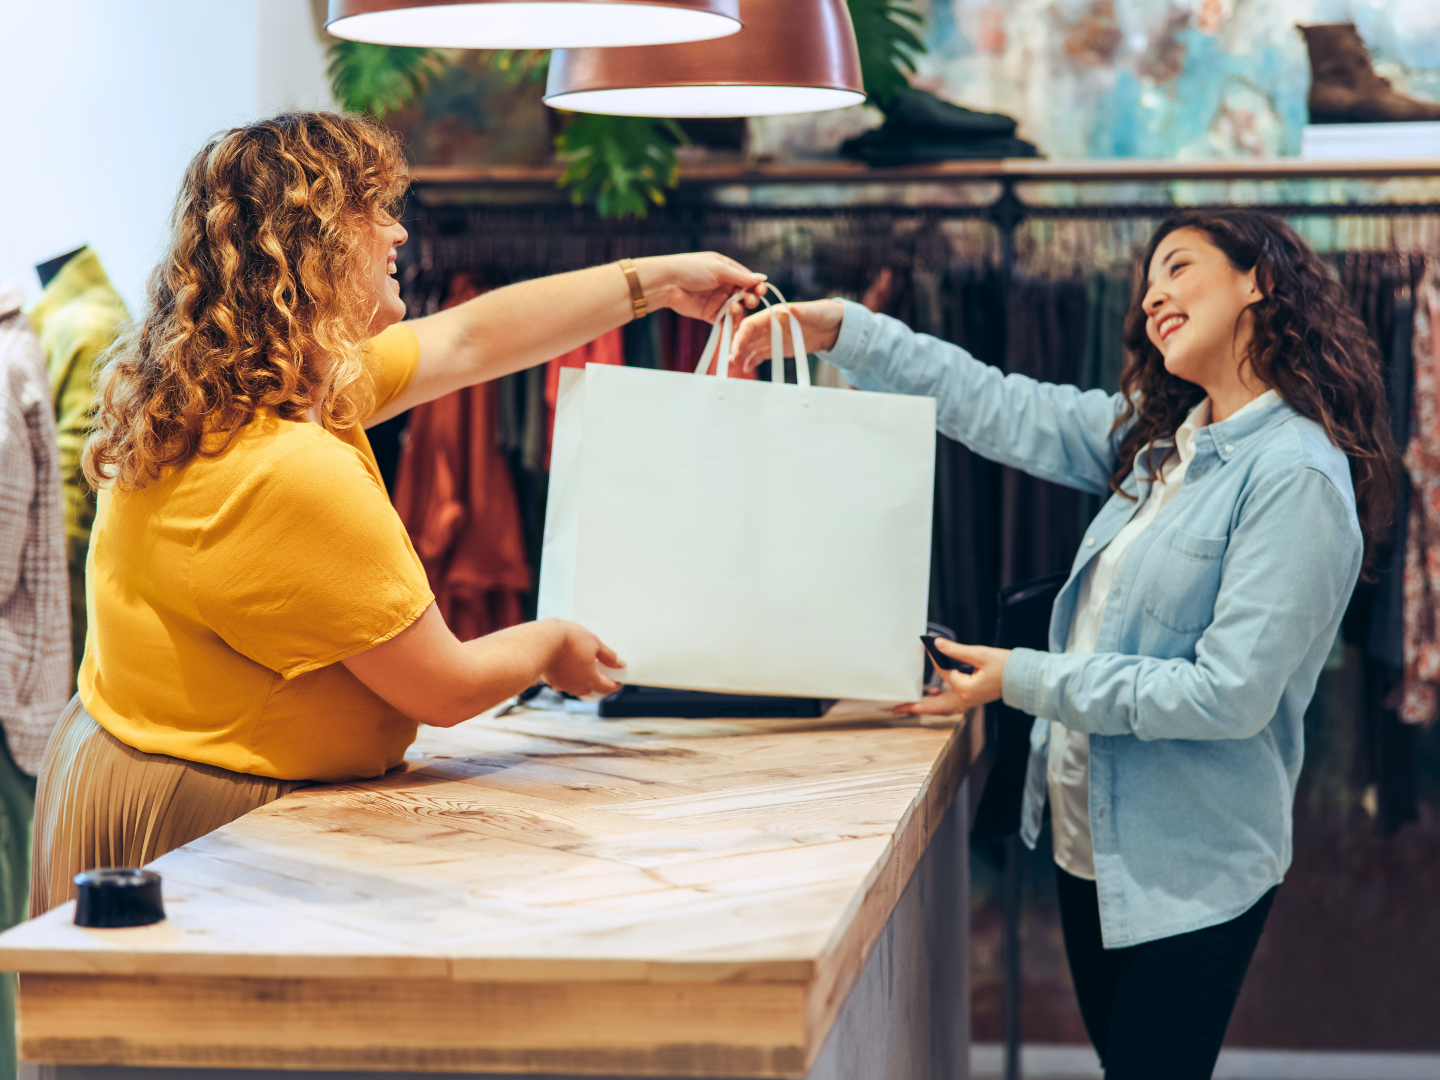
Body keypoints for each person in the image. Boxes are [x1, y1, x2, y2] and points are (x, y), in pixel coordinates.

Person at [31, 111, 765, 914]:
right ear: (310, 247)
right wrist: (551, 641)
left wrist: (655, 283)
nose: (399, 233)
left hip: (122, 765)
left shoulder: (227, 394)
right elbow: (443, 688)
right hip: (207, 823)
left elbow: (472, 340)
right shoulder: (292, 469)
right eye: (373, 210)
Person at [731, 209, 1398, 1079]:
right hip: (1091, 850)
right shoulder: (1166, 445)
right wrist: (846, 330)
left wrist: (1022, 678)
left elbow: (1226, 696)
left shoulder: (1296, 475)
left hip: (1189, 869)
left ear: (1259, 282)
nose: (1155, 294)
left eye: (1180, 267)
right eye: (1147, 281)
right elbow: (997, 404)